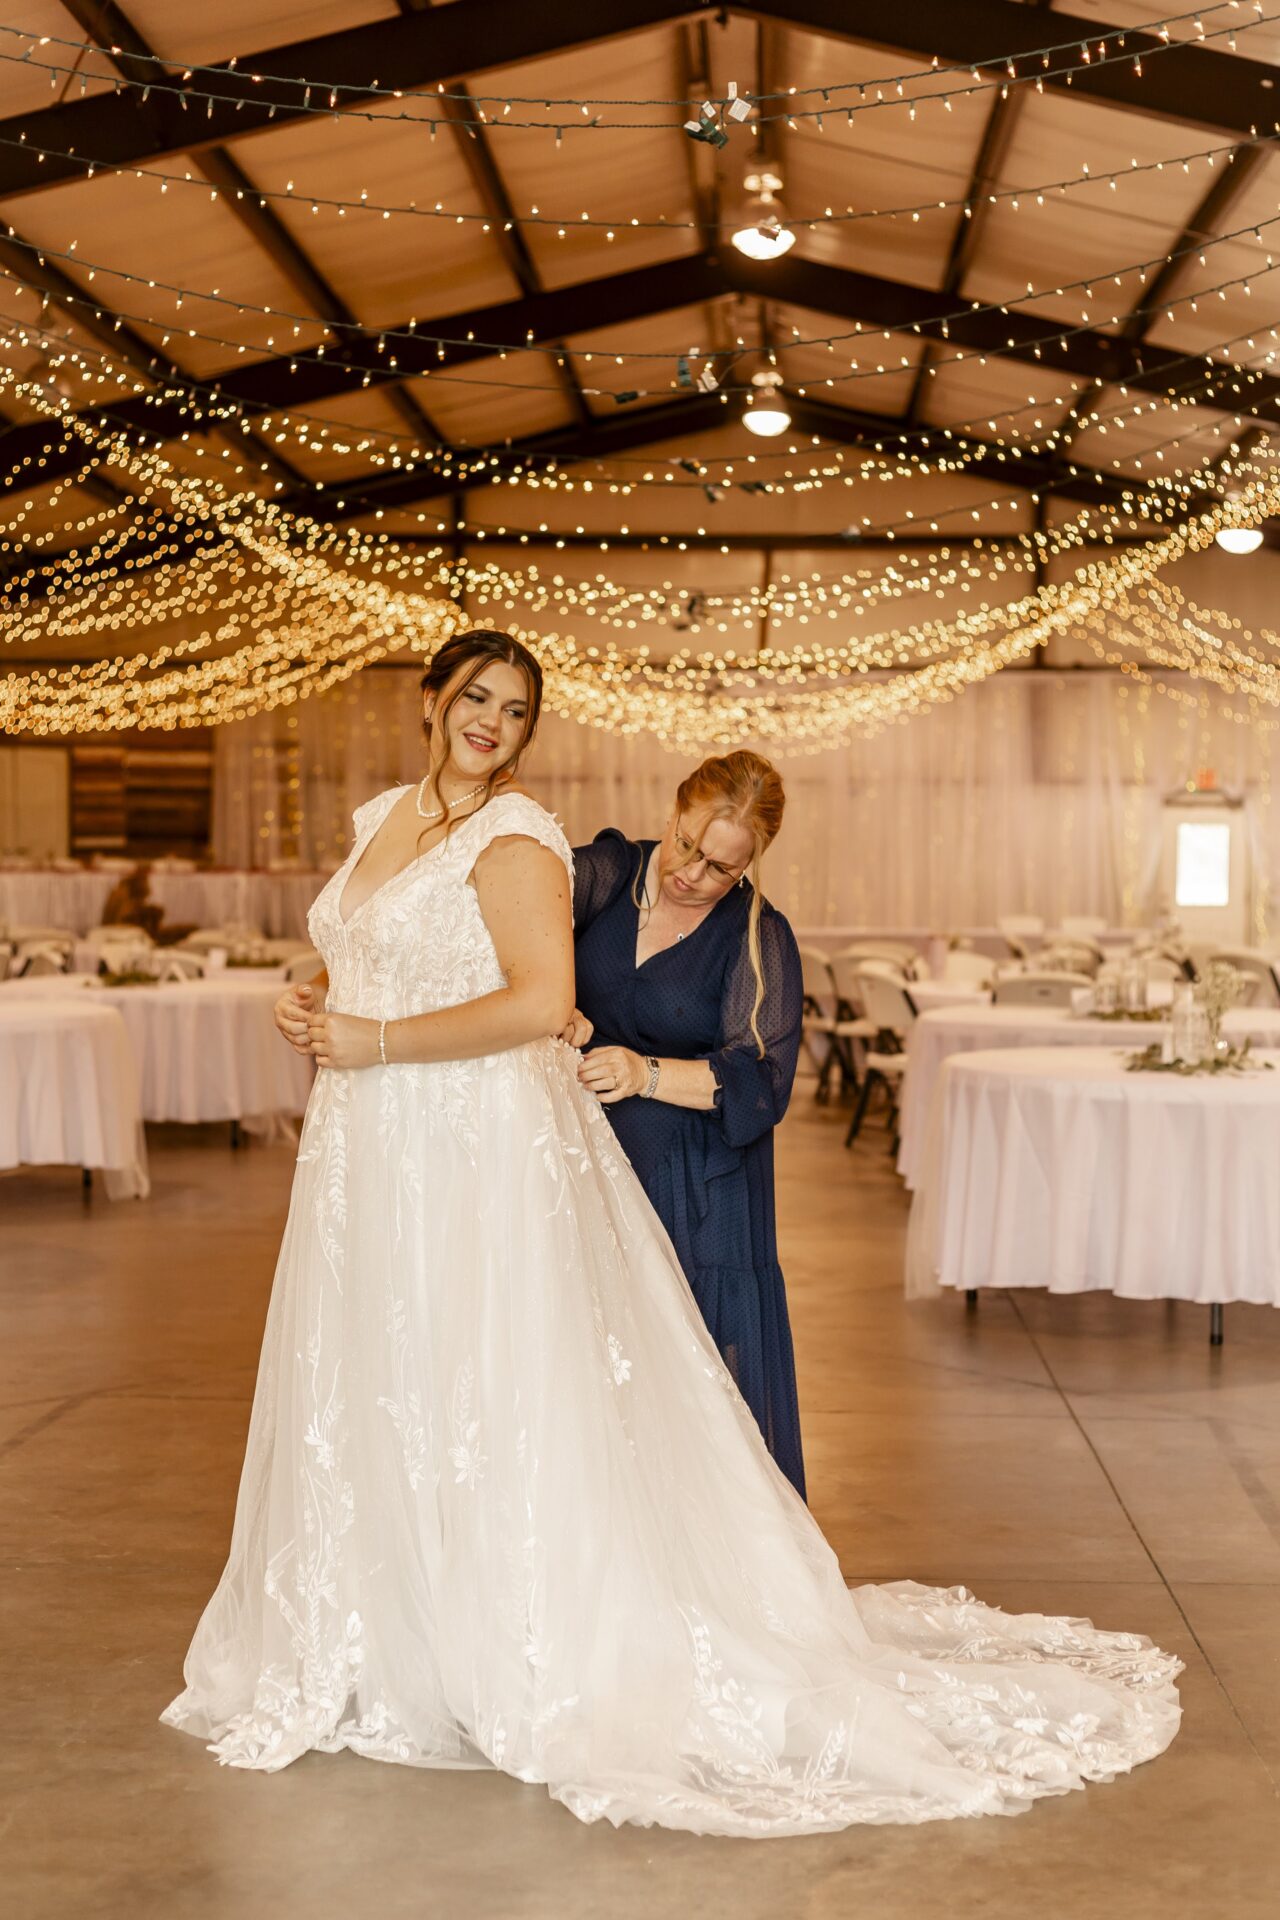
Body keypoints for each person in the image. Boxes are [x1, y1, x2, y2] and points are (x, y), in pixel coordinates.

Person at [161, 630, 1180, 1835]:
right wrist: (322, 994)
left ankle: (565, 1621)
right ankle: (399, 1621)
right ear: (432, 702)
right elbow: (415, 949)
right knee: (407, 1383)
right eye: (693, 847)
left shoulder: (709, 918)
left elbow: (720, 1070)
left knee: (594, 1395)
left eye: (516, 707)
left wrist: (627, 1068)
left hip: (666, 1165)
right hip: (417, 1147)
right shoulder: (566, 860)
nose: (700, 873)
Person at [565, 754, 807, 1497]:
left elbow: (761, 1080)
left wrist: (647, 1073)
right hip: (580, 1167)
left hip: (695, 1190)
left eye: (720, 869)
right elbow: (490, 927)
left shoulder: (758, 935)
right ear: (671, 813)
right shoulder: (607, 875)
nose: (691, 874)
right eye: (686, 845)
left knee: (687, 1378)